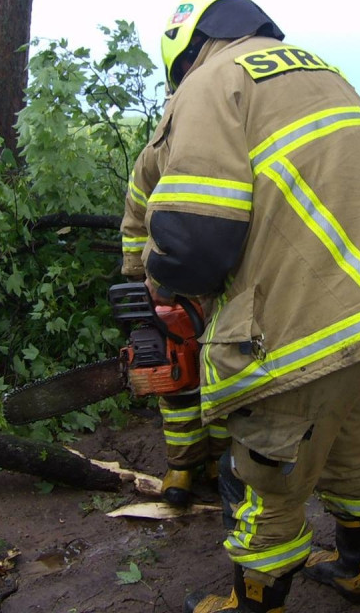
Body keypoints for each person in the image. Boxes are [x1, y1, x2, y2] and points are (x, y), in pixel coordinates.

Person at [132, 0, 360, 612]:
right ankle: (358, 569)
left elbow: (195, 240)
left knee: (259, 483)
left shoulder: (210, 82)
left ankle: (253, 606)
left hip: (308, 334)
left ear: (183, 56)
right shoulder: (321, 70)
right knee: (356, 453)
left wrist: (163, 295)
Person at [121, 154, 231, 506]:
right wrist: (138, 274)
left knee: (226, 374)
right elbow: (137, 213)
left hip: (225, 284)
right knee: (177, 382)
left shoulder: (231, 142)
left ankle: (220, 459)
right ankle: (181, 465)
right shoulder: (156, 153)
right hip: (169, 285)